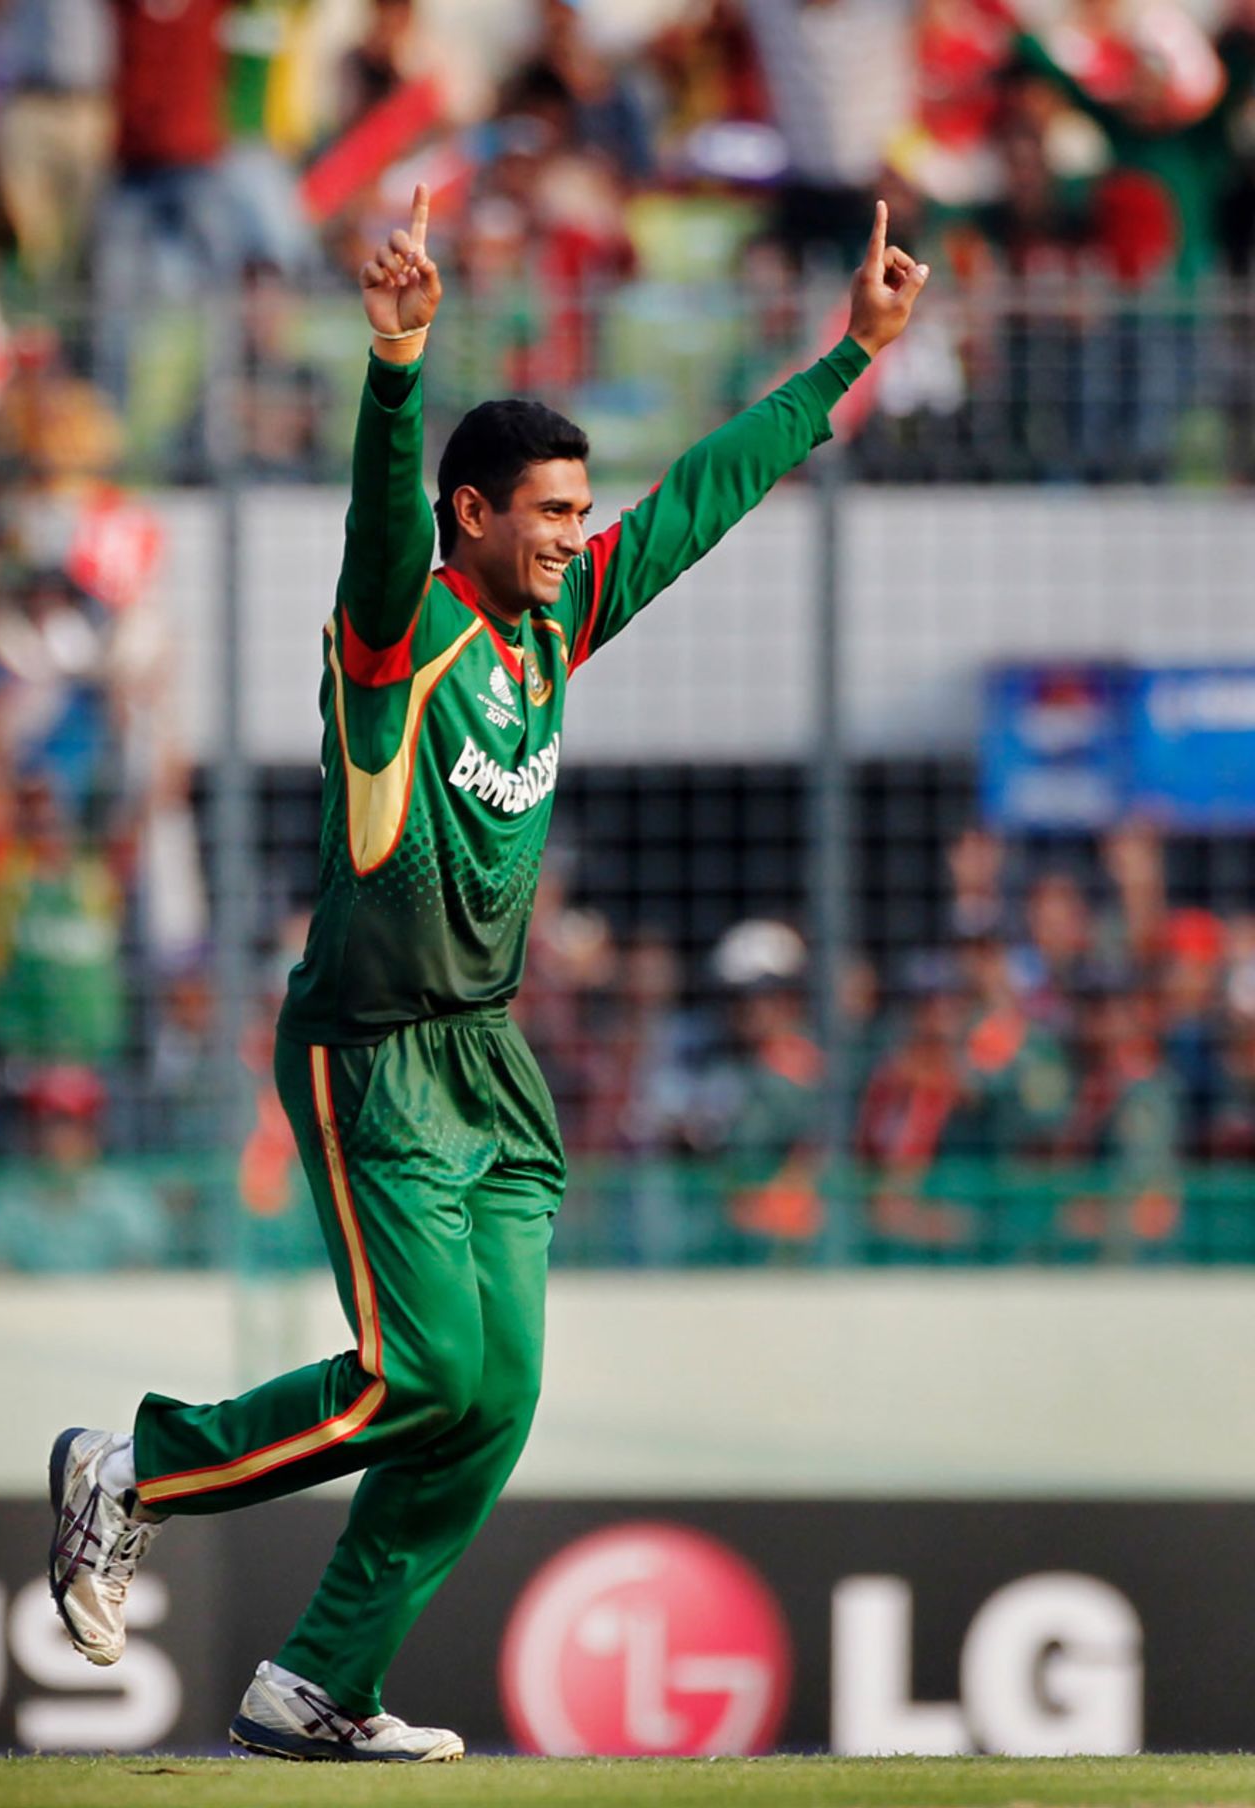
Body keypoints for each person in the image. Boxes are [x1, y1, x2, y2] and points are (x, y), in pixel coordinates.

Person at [46, 185, 928, 1762]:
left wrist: (847, 357)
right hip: (372, 1050)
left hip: (489, 1061)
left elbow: (698, 501)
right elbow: (377, 539)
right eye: (548, 513)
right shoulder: (400, 644)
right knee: (422, 1371)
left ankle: (318, 1685)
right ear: (471, 515)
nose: (576, 536)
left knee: (493, 1393)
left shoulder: (555, 621)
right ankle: (133, 1472)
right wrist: (396, 369)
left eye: (580, 511)